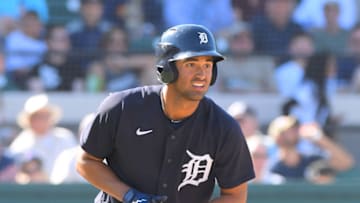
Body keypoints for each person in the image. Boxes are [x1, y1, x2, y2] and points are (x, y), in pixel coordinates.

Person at [76, 24, 255, 203]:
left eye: (207, 65)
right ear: (166, 69)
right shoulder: (121, 107)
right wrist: (130, 196)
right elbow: (86, 162)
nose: (202, 74)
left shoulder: (224, 128)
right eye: (191, 64)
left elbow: (235, 196)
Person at [8, 94, 77, 180]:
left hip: (62, 190)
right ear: (29, 119)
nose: (40, 120)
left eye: (44, 115)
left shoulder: (65, 137)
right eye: (36, 116)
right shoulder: (21, 142)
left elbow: (75, 165)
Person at [267, 115, 354, 182]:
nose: (293, 132)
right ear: (276, 136)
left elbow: (346, 163)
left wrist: (318, 137)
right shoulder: (270, 166)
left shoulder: (311, 161)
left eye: (295, 129)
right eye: (287, 131)